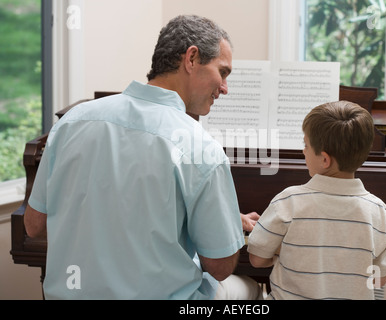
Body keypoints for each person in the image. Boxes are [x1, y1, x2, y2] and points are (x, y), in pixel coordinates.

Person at [24, 14, 261, 300]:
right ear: (192, 58)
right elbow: (220, 266)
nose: (224, 87)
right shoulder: (200, 146)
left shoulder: (72, 122)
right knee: (251, 289)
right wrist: (222, 226)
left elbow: (34, 225)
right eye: (222, 72)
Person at [247, 101, 386, 300]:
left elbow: (257, 259)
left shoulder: (288, 201)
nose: (303, 151)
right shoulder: (380, 212)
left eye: (306, 145)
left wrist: (287, 252)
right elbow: (380, 280)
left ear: (325, 160)